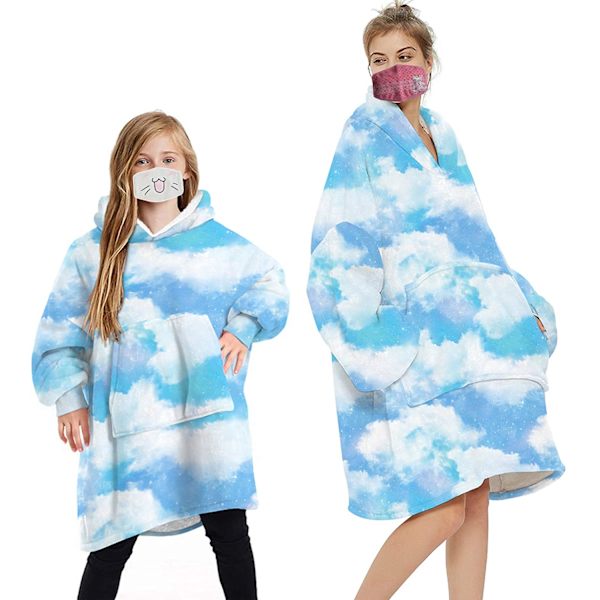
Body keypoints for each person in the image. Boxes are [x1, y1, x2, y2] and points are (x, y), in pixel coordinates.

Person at [305, 2, 565, 598]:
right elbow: (341, 235)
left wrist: (521, 303)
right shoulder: (363, 132)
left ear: (429, 62)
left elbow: (474, 234)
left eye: (404, 56)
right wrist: (367, 333)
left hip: (475, 337)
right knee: (444, 506)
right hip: (418, 341)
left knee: (475, 497)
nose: (392, 69)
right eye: (378, 60)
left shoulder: (444, 133)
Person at [31, 110, 289, 599]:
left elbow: (270, 282)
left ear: (187, 169)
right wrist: (69, 399)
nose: (157, 170)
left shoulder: (220, 247)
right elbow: (59, 330)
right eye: (143, 161)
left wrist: (244, 327)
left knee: (229, 531)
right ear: (124, 171)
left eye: (168, 159)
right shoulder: (94, 252)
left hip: (208, 425)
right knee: (110, 545)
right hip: (126, 430)